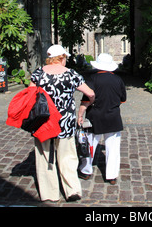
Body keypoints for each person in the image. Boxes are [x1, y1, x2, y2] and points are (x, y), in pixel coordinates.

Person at [29, 44, 95, 202]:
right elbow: (90, 93)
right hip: (65, 122)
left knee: (45, 156)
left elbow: (29, 95)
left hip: (43, 121)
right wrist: (83, 107)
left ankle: (49, 194)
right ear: (61, 58)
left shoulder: (38, 73)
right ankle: (72, 190)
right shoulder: (71, 74)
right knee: (68, 156)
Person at [78, 53, 126, 185]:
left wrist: (80, 114)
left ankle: (86, 171)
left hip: (95, 116)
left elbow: (86, 100)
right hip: (113, 117)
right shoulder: (118, 80)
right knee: (113, 148)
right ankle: (111, 175)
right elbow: (123, 99)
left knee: (90, 145)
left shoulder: (92, 79)